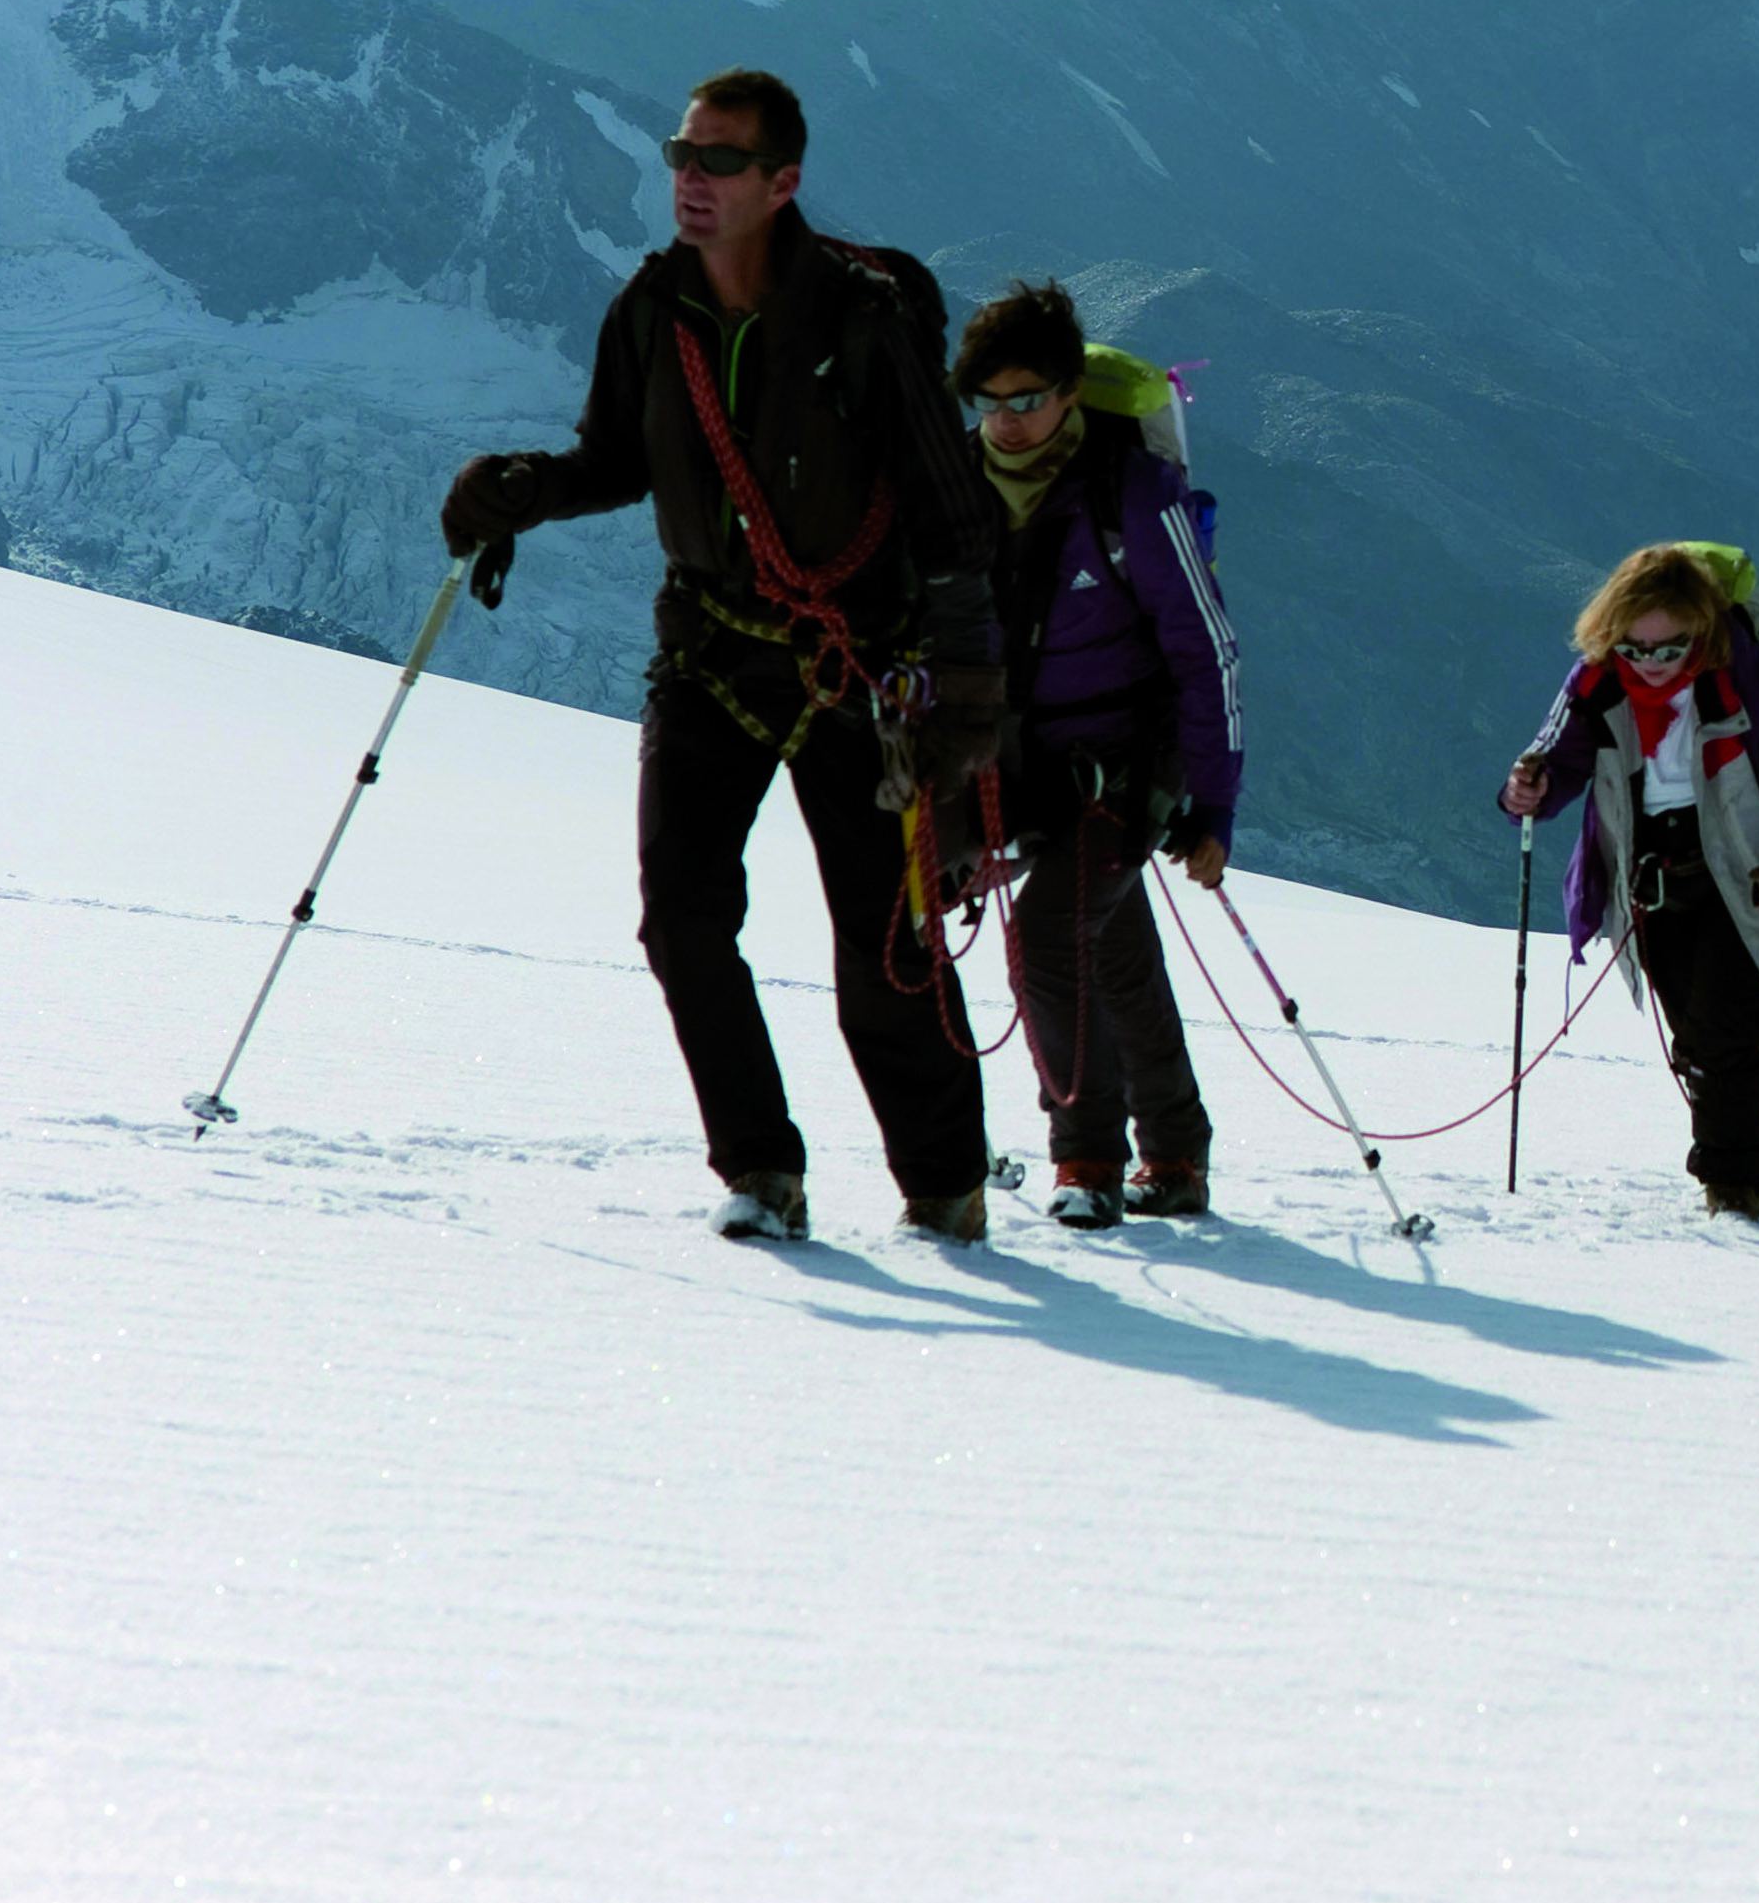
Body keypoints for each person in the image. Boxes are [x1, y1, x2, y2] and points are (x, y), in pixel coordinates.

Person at [437, 67, 1010, 1244]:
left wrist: (966, 685)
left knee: (884, 953)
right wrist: (526, 490)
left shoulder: (864, 318)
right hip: (709, 653)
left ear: (782, 182)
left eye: (720, 163)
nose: (691, 182)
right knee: (682, 920)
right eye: (682, 158)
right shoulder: (651, 312)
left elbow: (953, 509)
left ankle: (946, 1187)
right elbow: (616, 458)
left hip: (863, 668)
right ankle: (761, 1169)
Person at [956, 282, 1244, 1230]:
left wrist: (1212, 808)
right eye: (990, 402)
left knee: (1048, 935)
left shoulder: (1133, 493)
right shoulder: (957, 491)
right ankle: (1176, 1153)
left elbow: (1205, 654)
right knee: (1110, 948)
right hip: (1022, 765)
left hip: (1127, 766)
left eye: (1027, 399)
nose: (1007, 422)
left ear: (1071, 392)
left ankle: (1086, 1157)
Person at [1499, 544, 1759, 1217]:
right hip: (1651, 884)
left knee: (1724, 1038)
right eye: (1635, 647)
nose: (1650, 663)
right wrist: (1524, 790)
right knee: (1699, 1041)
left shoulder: (1750, 675)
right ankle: (1738, 1177)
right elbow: (1555, 757)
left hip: (1743, 883)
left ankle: (1736, 1191)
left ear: (1703, 628)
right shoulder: (1596, 678)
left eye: (1668, 646)